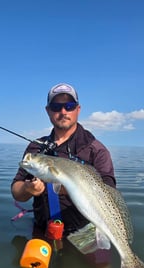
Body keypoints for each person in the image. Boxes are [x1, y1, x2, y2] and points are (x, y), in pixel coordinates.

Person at [11, 83, 116, 236]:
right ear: (48, 111)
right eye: (56, 106)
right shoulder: (36, 148)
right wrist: (27, 189)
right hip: (43, 230)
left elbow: (110, 194)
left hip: (85, 232)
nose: (63, 111)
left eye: (69, 105)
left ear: (78, 109)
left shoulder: (96, 150)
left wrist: (71, 187)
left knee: (98, 259)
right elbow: (16, 191)